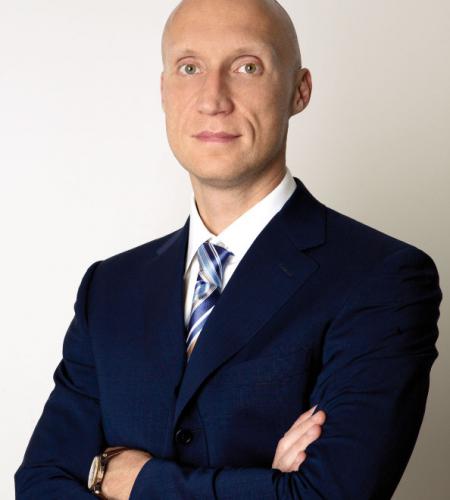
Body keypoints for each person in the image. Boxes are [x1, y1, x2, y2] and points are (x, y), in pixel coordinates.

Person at [15, 0, 442, 499]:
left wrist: (131, 481)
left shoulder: (382, 278)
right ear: (164, 91)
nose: (213, 98)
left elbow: (329, 494)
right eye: (189, 68)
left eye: (247, 67)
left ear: (299, 90)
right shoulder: (109, 288)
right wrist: (267, 484)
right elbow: (39, 484)